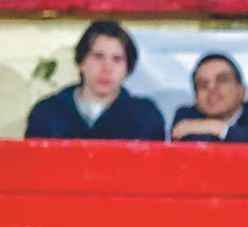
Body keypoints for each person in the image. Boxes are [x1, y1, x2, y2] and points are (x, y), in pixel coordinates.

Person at [25, 20, 164, 141]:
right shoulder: (47, 113)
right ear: (81, 62)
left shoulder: (145, 117)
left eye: (117, 59)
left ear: (127, 68)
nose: (107, 69)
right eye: (98, 57)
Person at [170, 53, 248, 144]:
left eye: (222, 80)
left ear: (242, 91)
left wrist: (217, 128)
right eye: (203, 85)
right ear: (196, 98)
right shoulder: (186, 116)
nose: (212, 89)